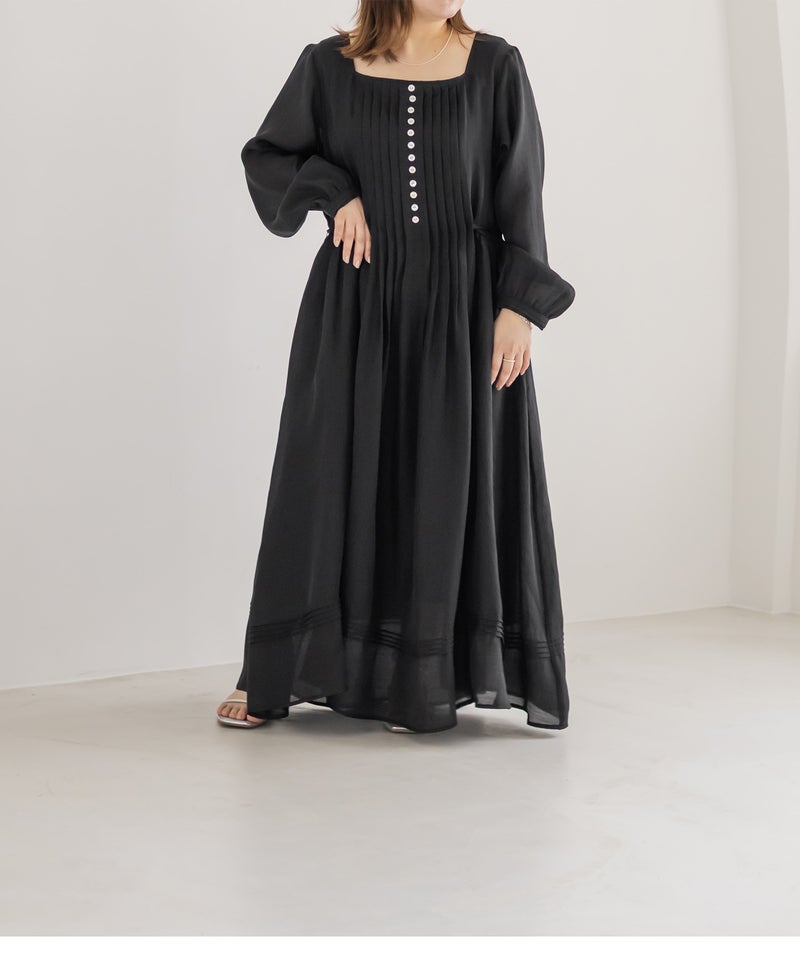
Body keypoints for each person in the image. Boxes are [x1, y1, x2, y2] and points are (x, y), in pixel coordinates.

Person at [216, 0, 576, 734]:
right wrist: (335, 191)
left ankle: (426, 681)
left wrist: (520, 307)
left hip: (465, 308)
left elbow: (523, 187)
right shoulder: (328, 65)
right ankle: (278, 672)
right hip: (357, 303)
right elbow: (268, 156)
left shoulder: (496, 65)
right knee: (326, 471)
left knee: (448, 480)